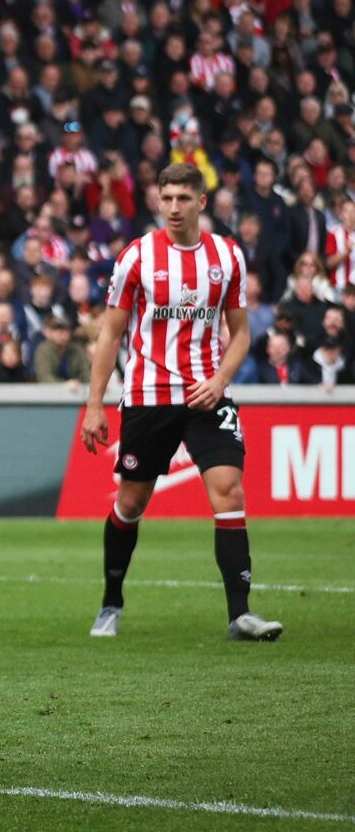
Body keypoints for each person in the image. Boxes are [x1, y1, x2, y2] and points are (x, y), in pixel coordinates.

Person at [80, 164, 277, 642]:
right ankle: (111, 602)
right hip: (148, 396)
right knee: (131, 502)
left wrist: (219, 379)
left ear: (201, 203)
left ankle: (240, 615)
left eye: (183, 198)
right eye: (166, 197)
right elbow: (110, 333)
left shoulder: (227, 257)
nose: (173, 207)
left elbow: (241, 334)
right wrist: (95, 405)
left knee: (229, 491)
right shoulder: (136, 257)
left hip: (208, 396)